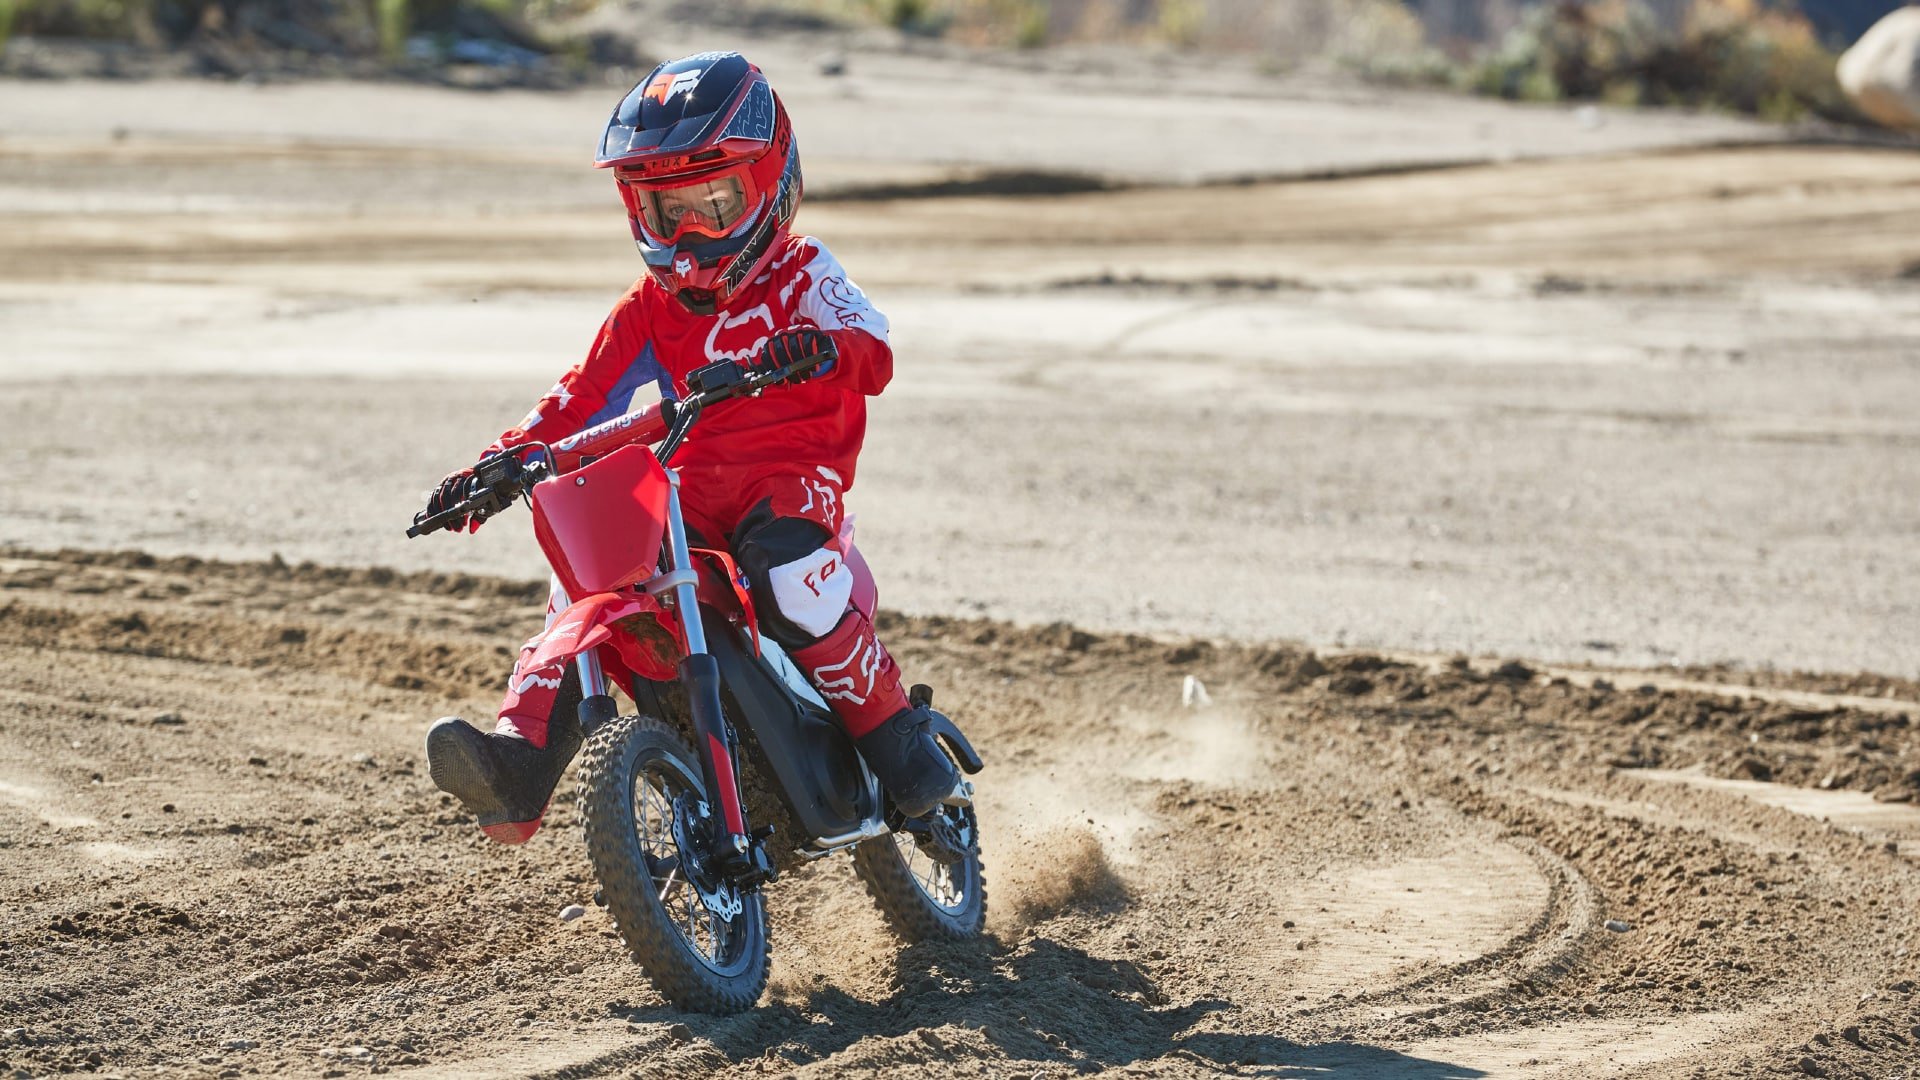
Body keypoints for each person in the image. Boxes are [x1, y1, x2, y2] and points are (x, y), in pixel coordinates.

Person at [419, 51, 962, 844]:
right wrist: (503, 462)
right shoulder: (646, 309)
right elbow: (580, 397)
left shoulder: (803, 270)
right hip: (682, 491)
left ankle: (898, 738)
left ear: (770, 181)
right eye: (667, 211)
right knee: (584, 587)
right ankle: (519, 763)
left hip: (788, 482)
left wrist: (812, 347)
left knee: (790, 583)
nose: (692, 233)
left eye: (714, 201)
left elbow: (872, 350)